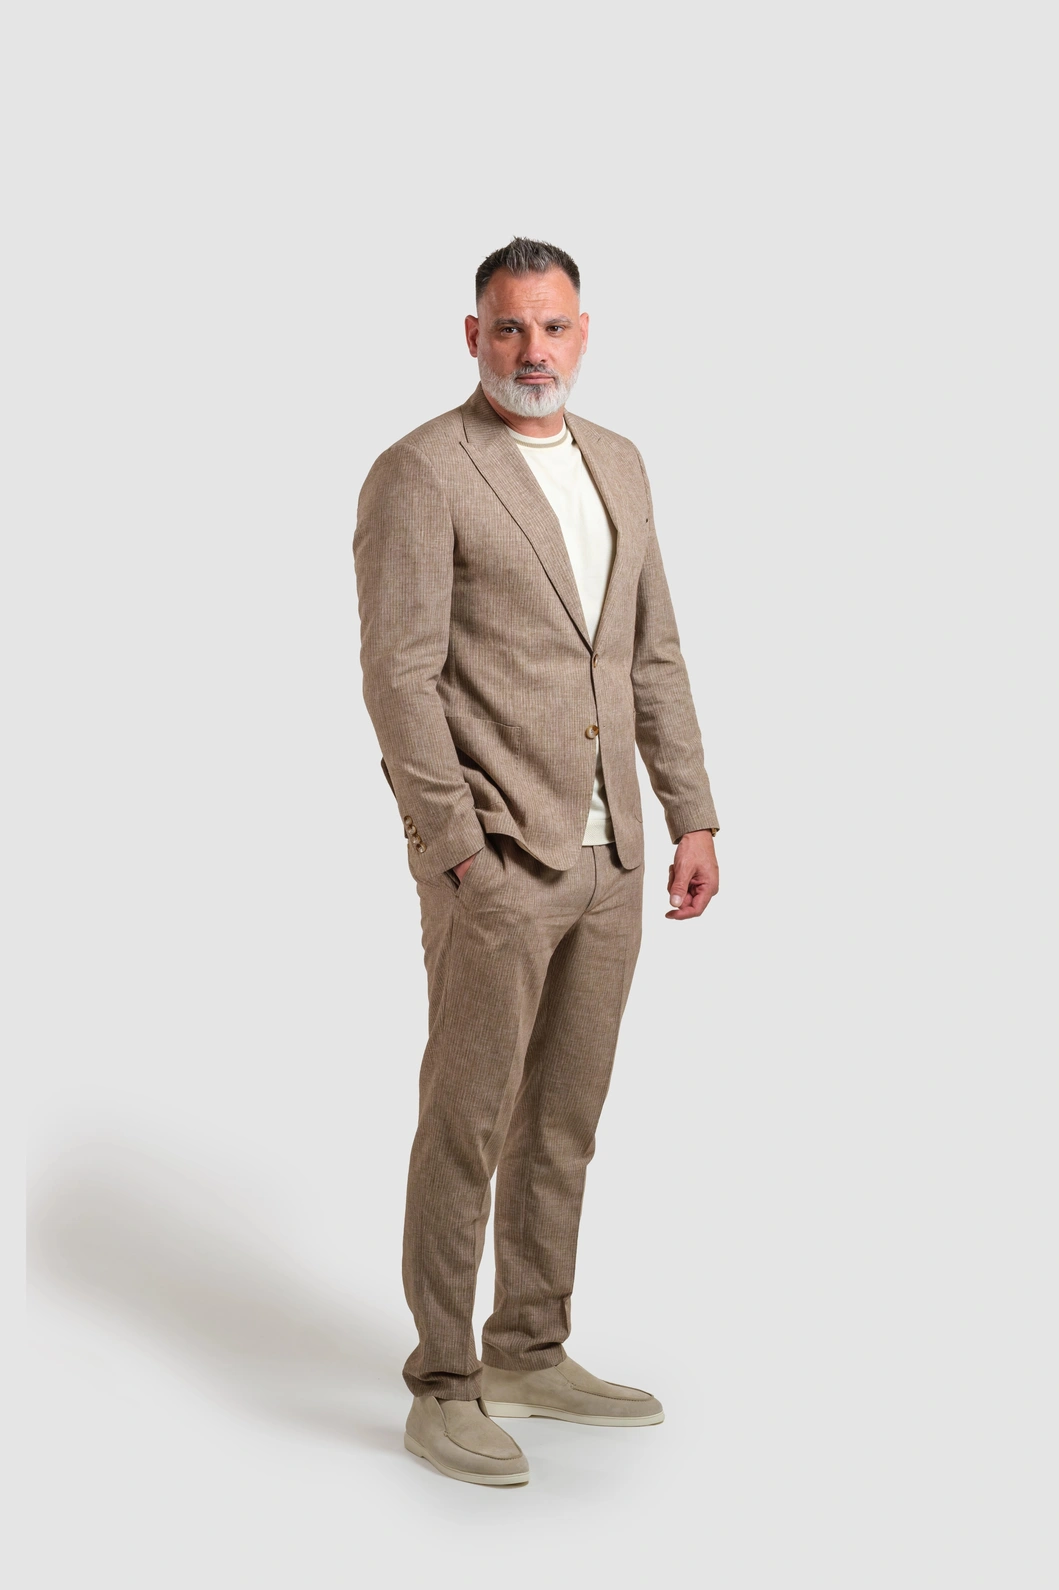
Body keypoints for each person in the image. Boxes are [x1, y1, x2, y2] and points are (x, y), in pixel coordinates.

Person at [353, 237, 720, 1486]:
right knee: (468, 1121)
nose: (532, 352)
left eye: (553, 327)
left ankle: (528, 1345)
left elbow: (652, 653)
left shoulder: (619, 461)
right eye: (509, 328)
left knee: (564, 1120)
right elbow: (398, 677)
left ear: (583, 332)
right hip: (498, 860)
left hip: (614, 856)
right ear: (474, 336)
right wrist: (456, 847)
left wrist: (692, 813)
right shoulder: (422, 472)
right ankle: (444, 1380)